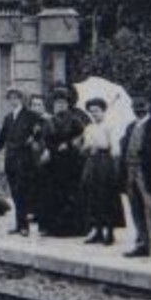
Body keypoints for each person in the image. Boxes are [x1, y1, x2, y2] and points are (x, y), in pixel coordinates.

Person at [119, 96, 151, 261]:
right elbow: (124, 150)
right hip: (130, 171)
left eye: (142, 106)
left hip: (147, 172)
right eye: (135, 106)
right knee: (136, 210)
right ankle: (142, 245)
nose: (138, 109)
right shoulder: (130, 127)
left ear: (148, 106)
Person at [0, 88, 44, 236]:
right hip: (11, 160)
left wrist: (34, 139)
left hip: (25, 161)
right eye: (10, 98)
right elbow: (0, 139)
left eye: (16, 98)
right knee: (15, 194)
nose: (13, 101)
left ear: (21, 99)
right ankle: (19, 225)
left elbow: (40, 130)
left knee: (23, 192)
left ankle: (24, 226)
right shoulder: (8, 118)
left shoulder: (31, 116)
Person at [38, 88, 88, 236]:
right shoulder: (50, 121)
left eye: (62, 102)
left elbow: (83, 137)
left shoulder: (75, 120)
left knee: (70, 194)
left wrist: (70, 144)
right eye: (56, 103)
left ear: (67, 104)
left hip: (70, 163)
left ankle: (72, 228)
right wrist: (46, 149)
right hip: (53, 163)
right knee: (53, 194)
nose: (59, 106)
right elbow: (45, 139)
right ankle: (53, 228)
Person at [79, 97, 126, 245]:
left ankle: (110, 232)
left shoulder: (110, 126)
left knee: (106, 197)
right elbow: (85, 147)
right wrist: (86, 147)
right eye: (92, 111)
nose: (94, 114)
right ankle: (97, 231)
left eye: (97, 111)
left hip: (105, 163)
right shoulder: (89, 128)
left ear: (103, 111)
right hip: (91, 163)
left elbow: (115, 149)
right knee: (92, 196)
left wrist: (102, 148)